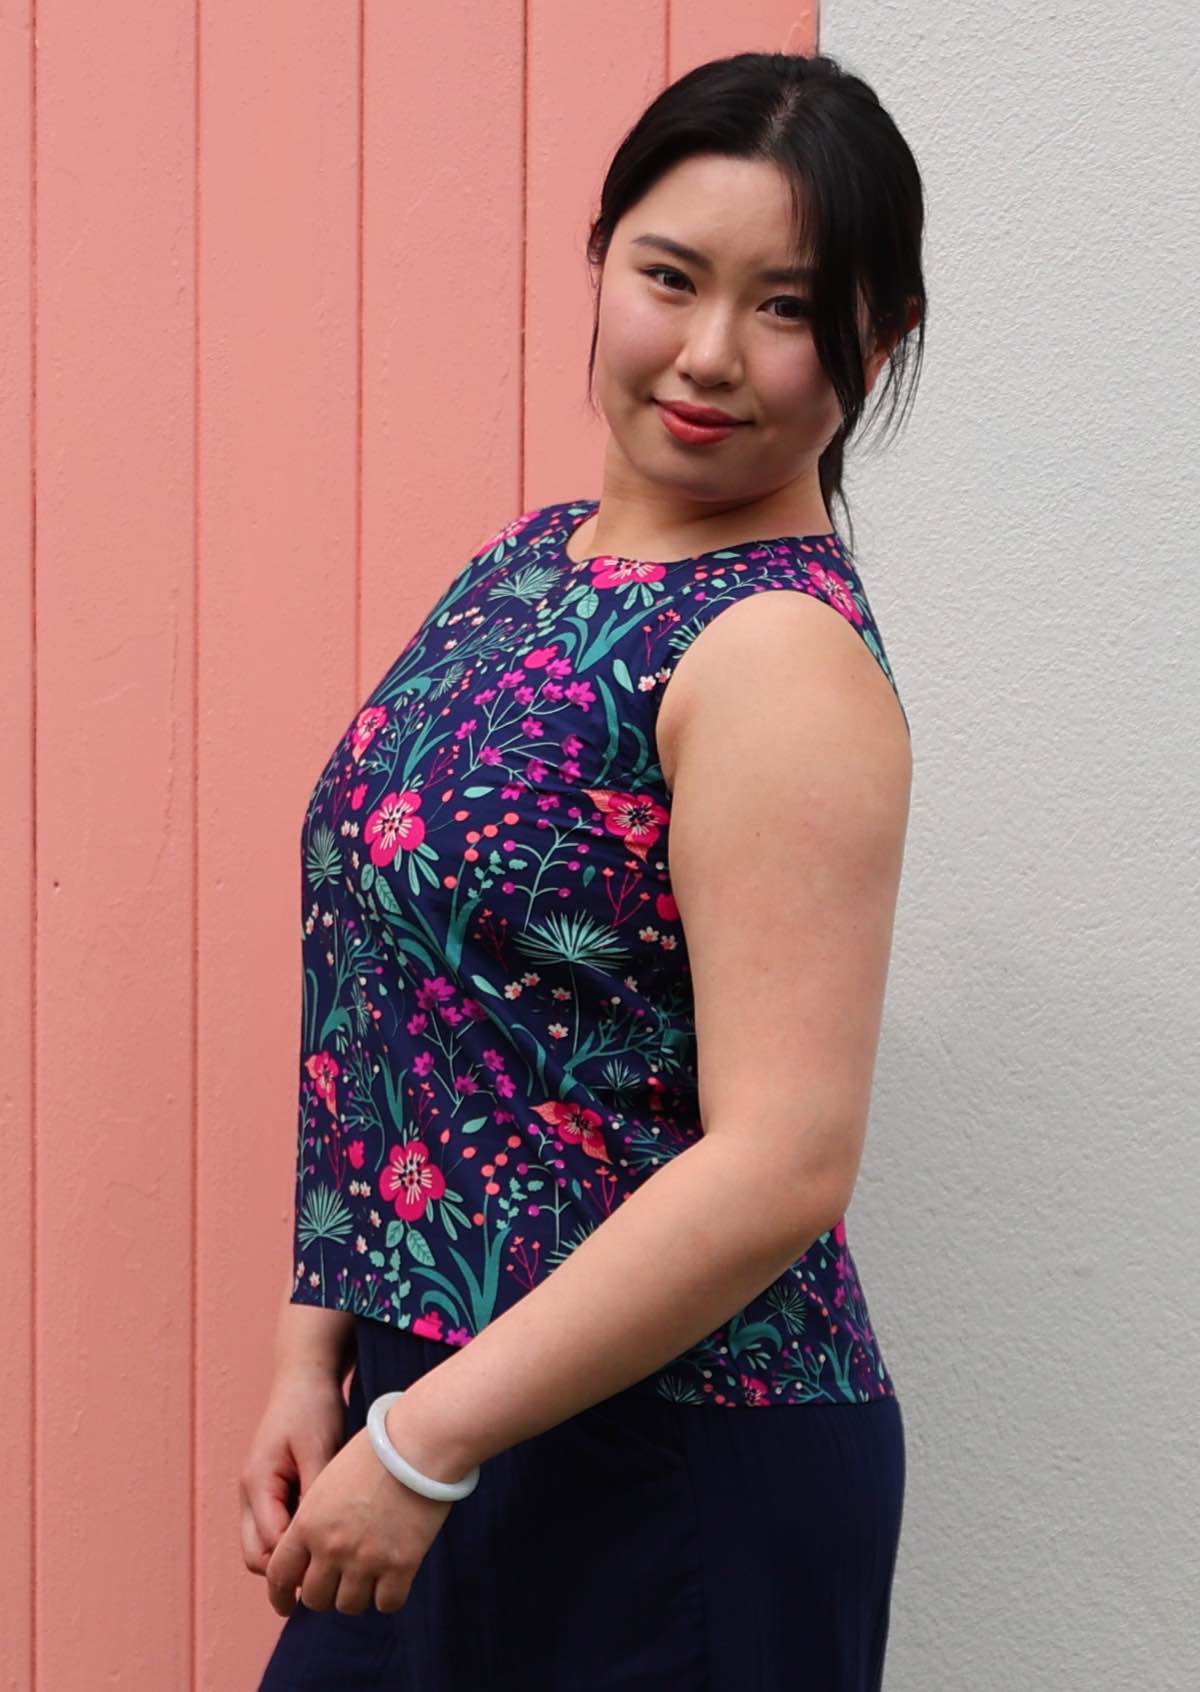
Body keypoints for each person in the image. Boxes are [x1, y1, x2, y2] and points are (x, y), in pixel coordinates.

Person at [244, 47, 925, 1691]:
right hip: (444, 1408)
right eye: (670, 275)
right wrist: (316, 1339)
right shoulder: (525, 564)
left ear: (876, 342)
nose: (707, 356)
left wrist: (424, 1445)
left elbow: (780, 1164)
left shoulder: (775, 657)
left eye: (786, 305)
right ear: (602, 254)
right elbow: (396, 992)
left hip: (666, 1459)